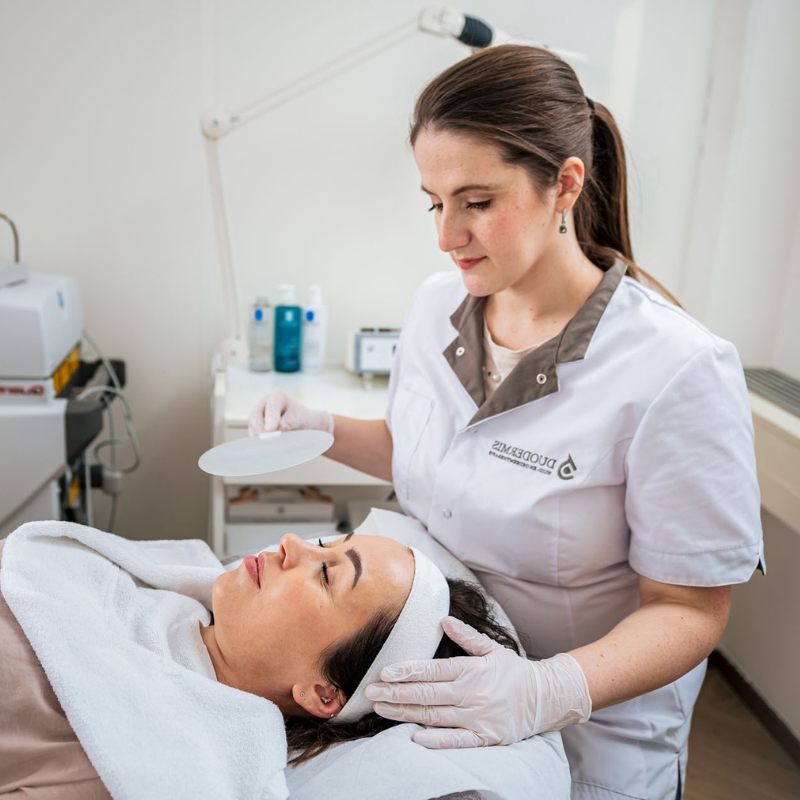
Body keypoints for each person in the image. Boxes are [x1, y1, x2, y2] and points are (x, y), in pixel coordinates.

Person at [248, 44, 764, 800]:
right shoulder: (436, 308)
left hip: (592, 733)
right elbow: (422, 457)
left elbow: (688, 610)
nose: (446, 233)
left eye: (476, 201)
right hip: (433, 705)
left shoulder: (676, 370)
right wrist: (317, 425)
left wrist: (543, 690)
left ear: (565, 184)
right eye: (434, 200)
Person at [0, 527, 519, 794]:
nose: (291, 543)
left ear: (323, 692)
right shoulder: (159, 592)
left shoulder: (147, 756)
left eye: (326, 576)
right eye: (323, 545)